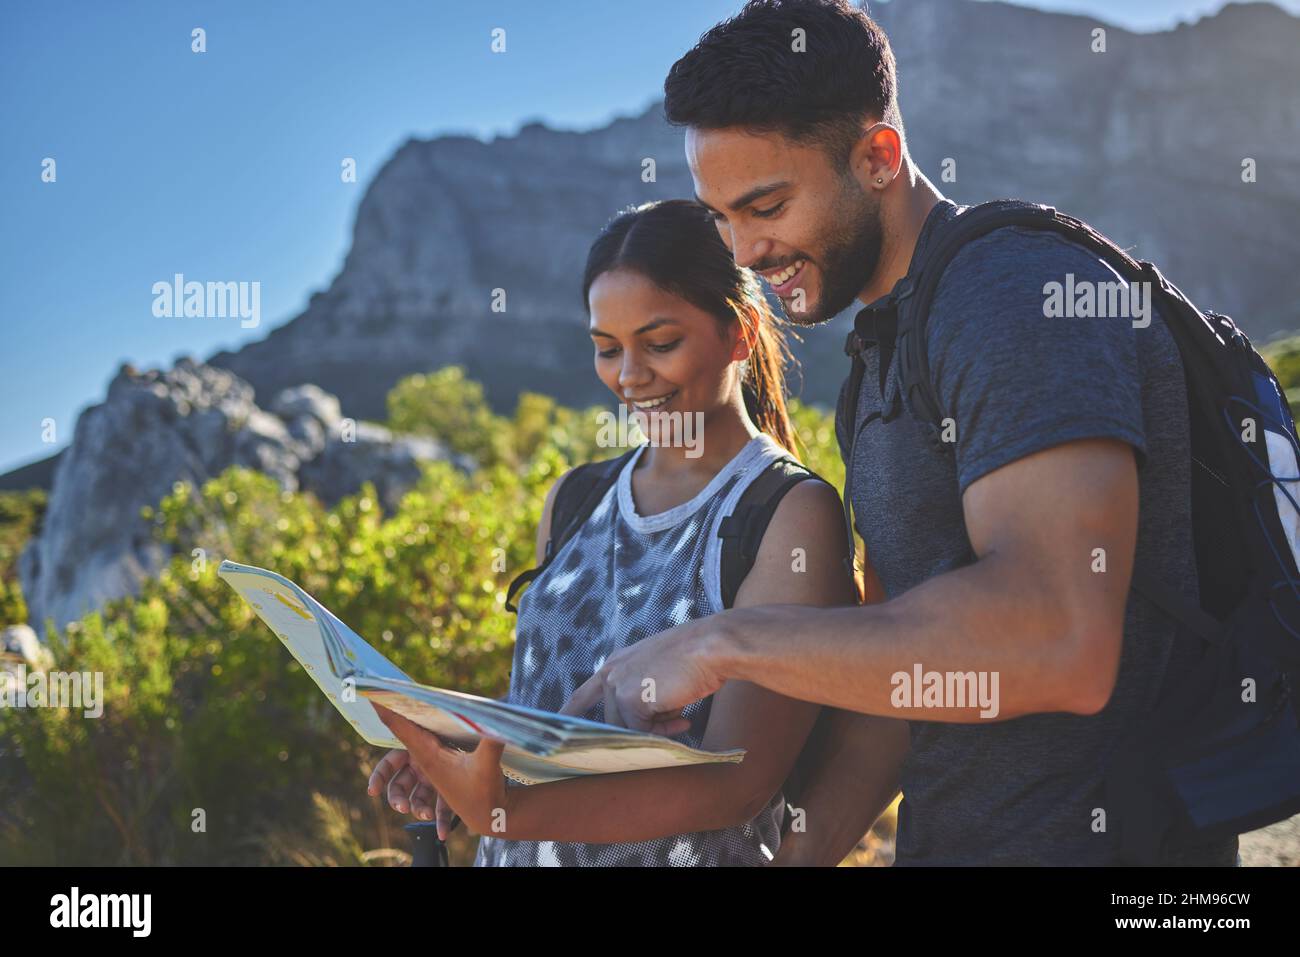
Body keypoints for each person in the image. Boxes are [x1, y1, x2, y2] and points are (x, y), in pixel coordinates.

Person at [558, 0, 1239, 866]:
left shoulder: (1013, 292)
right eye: (721, 217)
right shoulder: (881, 360)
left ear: (878, 156)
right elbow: (894, 696)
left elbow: (1061, 640)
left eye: (766, 204)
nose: (746, 252)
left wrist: (718, 643)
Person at [368, 198, 879, 866]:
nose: (630, 377)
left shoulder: (786, 512)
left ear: (741, 333)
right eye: (607, 350)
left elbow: (738, 784)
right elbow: (550, 710)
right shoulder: (575, 497)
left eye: (660, 343)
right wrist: (464, 756)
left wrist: (504, 805)